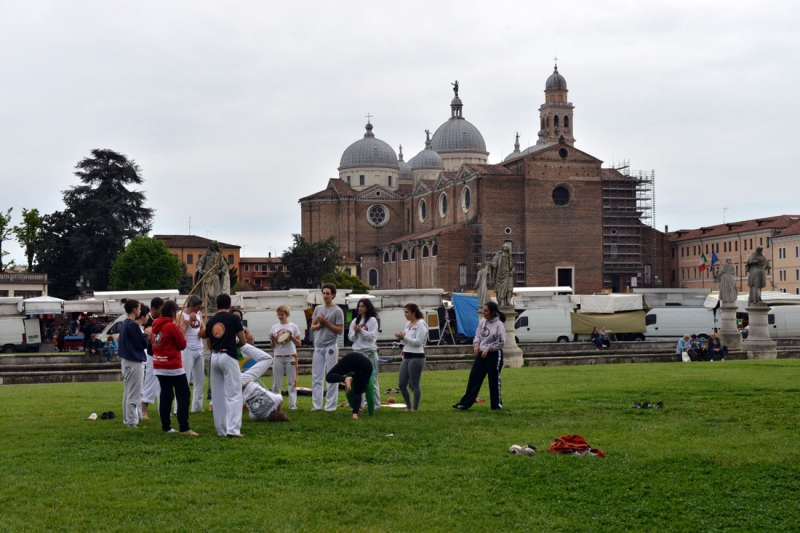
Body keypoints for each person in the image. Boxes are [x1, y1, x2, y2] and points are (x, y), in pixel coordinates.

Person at [151, 300, 197, 435]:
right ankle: (184, 427)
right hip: (173, 366)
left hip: (159, 365)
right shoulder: (171, 326)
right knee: (183, 394)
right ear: (172, 312)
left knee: (166, 395)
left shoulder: (155, 324)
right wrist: (181, 330)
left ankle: (166, 426)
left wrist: (178, 329)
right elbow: (182, 345)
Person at [206, 293, 247, 437]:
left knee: (217, 395)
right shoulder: (234, 318)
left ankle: (221, 430)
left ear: (216, 305)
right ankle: (233, 430)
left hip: (214, 356)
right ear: (230, 306)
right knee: (234, 393)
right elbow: (243, 340)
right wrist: (233, 344)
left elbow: (208, 344)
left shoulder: (211, 321)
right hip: (228, 355)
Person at [453, 301, 506, 411]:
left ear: (493, 312)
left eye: (486, 311)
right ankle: (465, 403)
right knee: (474, 377)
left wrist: (489, 348)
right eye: (483, 310)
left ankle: (496, 405)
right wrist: (476, 345)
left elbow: (501, 342)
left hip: (494, 355)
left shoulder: (499, 325)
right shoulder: (483, 321)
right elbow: (478, 334)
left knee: (494, 379)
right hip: (482, 354)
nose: (484, 312)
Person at [310, 283, 344, 412]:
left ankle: (330, 406)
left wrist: (326, 322)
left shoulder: (337, 310)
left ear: (333, 295)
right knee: (317, 376)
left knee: (331, 375)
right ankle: (317, 405)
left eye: (328, 293)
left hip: (330, 345)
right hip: (318, 346)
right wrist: (320, 324)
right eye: (323, 293)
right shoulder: (318, 309)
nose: (325, 296)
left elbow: (339, 330)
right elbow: (313, 327)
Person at [118, 298, 149, 428]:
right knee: (134, 394)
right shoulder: (133, 325)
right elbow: (140, 344)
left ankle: (128, 419)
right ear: (135, 310)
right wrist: (146, 335)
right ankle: (131, 421)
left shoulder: (125, 323)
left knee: (128, 392)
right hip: (133, 361)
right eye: (139, 308)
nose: (140, 311)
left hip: (126, 361)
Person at [395, 302, 428, 412]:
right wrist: (402, 338)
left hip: (417, 357)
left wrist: (404, 339)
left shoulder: (421, 324)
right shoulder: (407, 324)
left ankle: (415, 407)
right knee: (401, 384)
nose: (405, 315)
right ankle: (408, 406)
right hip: (407, 356)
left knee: (414, 383)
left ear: (413, 312)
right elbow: (407, 341)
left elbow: (418, 342)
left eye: (407, 312)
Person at [348, 298, 380, 409]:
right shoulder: (354, 321)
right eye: (359, 306)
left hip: (369, 352)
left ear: (368, 307)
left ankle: (376, 405)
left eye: (363, 306)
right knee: (357, 379)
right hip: (357, 352)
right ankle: (359, 404)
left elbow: (372, 337)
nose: (360, 308)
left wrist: (361, 331)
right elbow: (351, 338)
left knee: (372, 378)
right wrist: (356, 333)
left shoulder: (372, 320)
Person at [326, 352, 376, 419]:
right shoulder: (366, 377)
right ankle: (355, 414)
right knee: (357, 391)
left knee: (329, 376)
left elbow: (349, 393)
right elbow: (368, 397)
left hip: (351, 357)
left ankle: (345, 379)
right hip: (363, 364)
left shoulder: (361, 377)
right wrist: (370, 413)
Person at [270, 305, 301, 411]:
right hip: (278, 356)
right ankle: (276, 404)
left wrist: (291, 337)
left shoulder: (293, 326)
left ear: (286, 314)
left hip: (290, 356)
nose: (280, 316)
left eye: (282, 314)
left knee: (291, 382)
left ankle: (292, 405)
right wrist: (273, 340)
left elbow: (299, 343)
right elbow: (273, 346)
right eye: (278, 314)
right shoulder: (274, 327)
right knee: (276, 382)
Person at [181, 295, 207, 413]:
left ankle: (197, 406)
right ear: (191, 306)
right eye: (198, 307)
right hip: (187, 349)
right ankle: (180, 407)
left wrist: (204, 331)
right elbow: (180, 332)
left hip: (199, 348)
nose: (199, 310)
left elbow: (202, 329)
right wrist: (189, 322)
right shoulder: (180, 315)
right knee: (184, 378)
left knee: (200, 379)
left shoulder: (199, 314)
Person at [141, 297, 164, 420]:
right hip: (151, 355)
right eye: (161, 309)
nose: (162, 311)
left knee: (163, 385)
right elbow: (146, 341)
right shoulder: (148, 321)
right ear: (154, 308)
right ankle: (143, 411)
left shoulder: (162, 320)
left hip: (162, 356)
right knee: (151, 382)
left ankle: (163, 410)